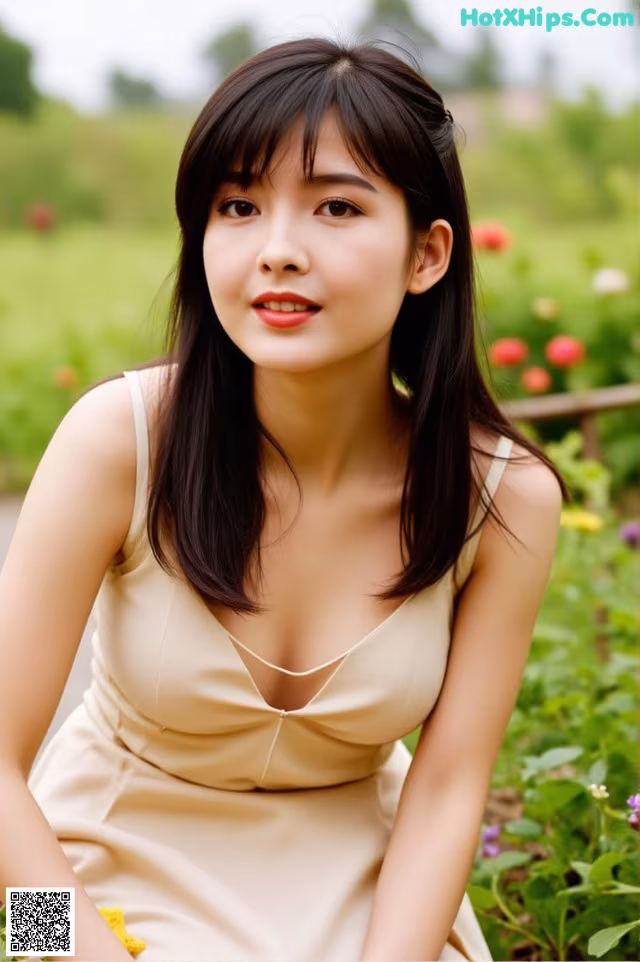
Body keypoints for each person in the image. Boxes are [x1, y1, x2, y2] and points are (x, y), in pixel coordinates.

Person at [0, 37, 569, 962]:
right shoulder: (121, 441)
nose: (277, 252)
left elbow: (448, 789)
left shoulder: (502, 497)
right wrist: (56, 948)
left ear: (427, 254)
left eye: (336, 206)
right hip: (93, 864)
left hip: (366, 889)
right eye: (239, 206)